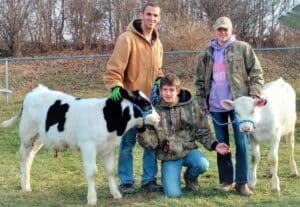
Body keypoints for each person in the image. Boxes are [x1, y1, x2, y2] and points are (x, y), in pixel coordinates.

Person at [195, 16, 264, 196]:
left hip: (239, 105)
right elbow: (199, 82)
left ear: (231, 30)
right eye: (220, 29)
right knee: (222, 143)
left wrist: (255, 92)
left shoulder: (243, 48)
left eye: (226, 29)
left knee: (241, 143)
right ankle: (226, 180)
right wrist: (202, 102)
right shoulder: (206, 54)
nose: (223, 32)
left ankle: (242, 182)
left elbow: (256, 73)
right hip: (216, 105)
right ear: (215, 30)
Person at [102, 2, 163, 194]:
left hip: (149, 102)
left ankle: (149, 180)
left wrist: (160, 80)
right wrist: (115, 87)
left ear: (158, 18)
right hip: (129, 101)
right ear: (141, 15)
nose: (152, 19)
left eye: (155, 16)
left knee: (150, 142)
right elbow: (114, 69)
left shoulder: (157, 42)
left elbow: (158, 68)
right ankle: (126, 182)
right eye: (149, 14)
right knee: (127, 143)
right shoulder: (126, 39)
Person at [137, 73, 230, 198]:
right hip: (169, 156)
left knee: (203, 164)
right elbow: (151, 143)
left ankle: (190, 178)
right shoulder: (154, 111)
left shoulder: (190, 106)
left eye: (171, 90)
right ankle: (171, 178)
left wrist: (215, 145)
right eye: (165, 90)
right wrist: (141, 129)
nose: (168, 93)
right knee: (173, 194)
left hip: (188, 151)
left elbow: (202, 130)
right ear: (160, 91)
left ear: (178, 90)